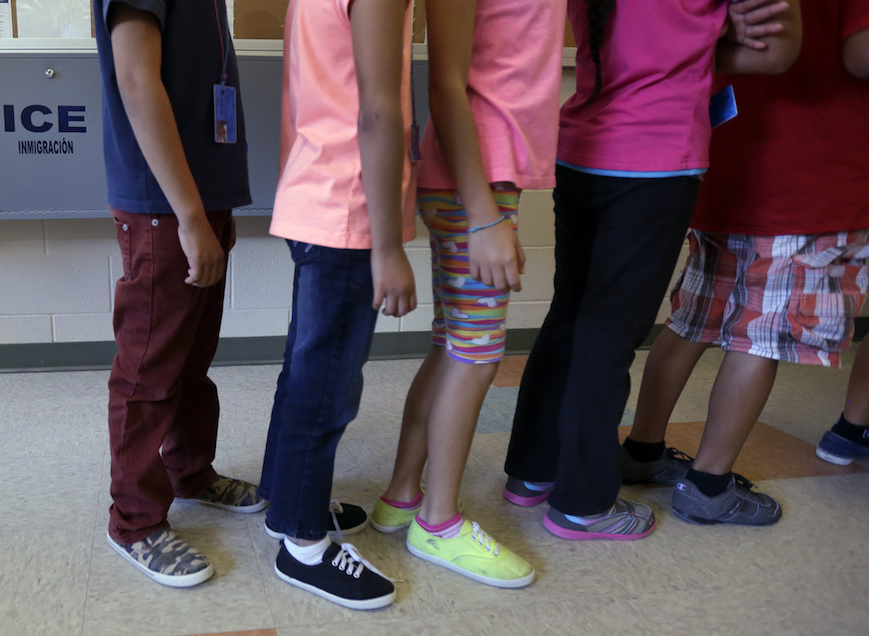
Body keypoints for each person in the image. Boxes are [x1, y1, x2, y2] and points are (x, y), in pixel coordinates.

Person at [502, 0, 801, 540]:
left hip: (580, 151)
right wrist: (700, 45)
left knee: (570, 317)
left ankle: (532, 474)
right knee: (607, 336)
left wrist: (691, 44)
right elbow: (775, 52)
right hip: (655, 163)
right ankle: (583, 505)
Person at [624, 0, 869, 522]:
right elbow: (861, 54)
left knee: (692, 320)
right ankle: (709, 486)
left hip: (728, 157)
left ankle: (642, 450)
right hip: (808, 174)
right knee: (765, 335)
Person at [370, 0, 565, 589]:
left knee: (453, 346)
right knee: (477, 356)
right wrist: (483, 216)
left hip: (485, 174)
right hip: (475, 179)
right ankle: (439, 522)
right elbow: (446, 82)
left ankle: (403, 496)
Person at [96, 0, 267, 588]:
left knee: (191, 360)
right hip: (164, 208)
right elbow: (137, 79)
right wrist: (191, 217)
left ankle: (192, 472)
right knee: (149, 371)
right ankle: (135, 522)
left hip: (198, 201)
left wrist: (212, 209)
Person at [258, 0, 419, 611]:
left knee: (306, 369)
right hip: (348, 209)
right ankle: (303, 544)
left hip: (317, 193)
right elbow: (378, 112)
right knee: (326, 384)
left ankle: (288, 500)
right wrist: (388, 246)